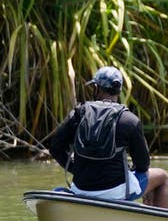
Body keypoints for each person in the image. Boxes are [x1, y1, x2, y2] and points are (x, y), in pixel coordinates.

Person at [46, 66, 149, 201]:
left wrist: (75, 168)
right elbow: (143, 164)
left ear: (96, 88)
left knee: (59, 191)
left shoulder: (78, 114)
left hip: (80, 189)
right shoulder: (130, 120)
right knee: (161, 176)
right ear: (119, 91)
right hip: (116, 192)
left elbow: (55, 148)